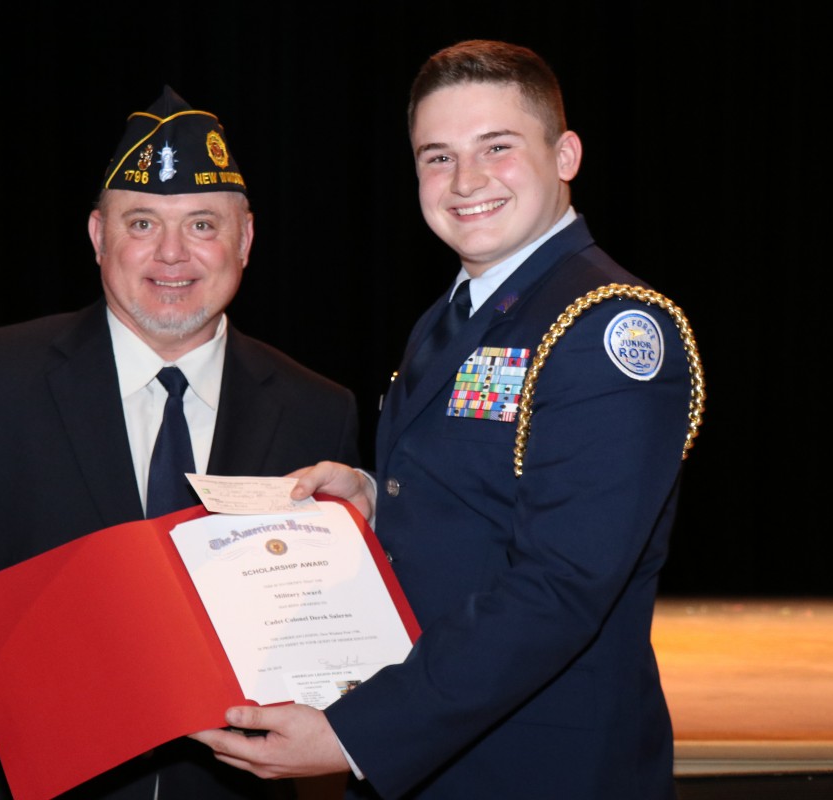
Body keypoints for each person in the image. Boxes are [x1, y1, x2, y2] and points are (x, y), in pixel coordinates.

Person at [190, 40, 704, 799]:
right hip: (445, 751)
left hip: (538, 767)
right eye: (437, 157)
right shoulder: (462, 311)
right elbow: (480, 498)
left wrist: (355, 733)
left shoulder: (608, 327)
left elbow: (560, 586)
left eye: (496, 147)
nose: (465, 182)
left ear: (565, 154)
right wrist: (370, 494)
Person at [0, 85, 361, 799]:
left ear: (245, 240)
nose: (173, 254)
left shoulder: (317, 410)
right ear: (98, 236)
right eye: (143, 222)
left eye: (204, 224)